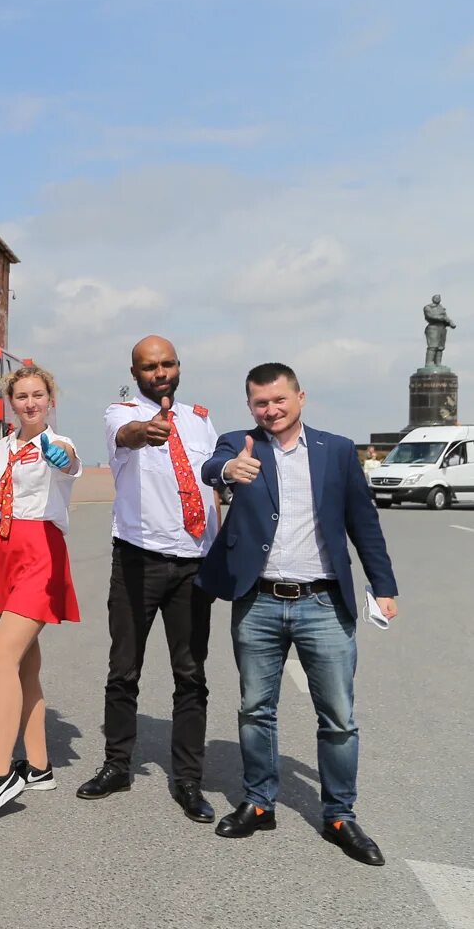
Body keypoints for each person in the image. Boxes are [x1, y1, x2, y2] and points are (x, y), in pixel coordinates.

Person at [199, 362, 399, 865]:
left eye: (279, 401)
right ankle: (259, 803)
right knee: (255, 709)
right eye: (260, 403)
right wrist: (228, 470)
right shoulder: (238, 444)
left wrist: (384, 585)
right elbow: (212, 466)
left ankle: (339, 815)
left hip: (323, 602)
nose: (270, 410)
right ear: (250, 406)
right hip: (259, 601)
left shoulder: (336, 451)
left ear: (300, 397)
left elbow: (363, 522)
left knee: (338, 718)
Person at [78, 335, 220, 825]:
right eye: (149, 366)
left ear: (178, 366)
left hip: (193, 563)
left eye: (167, 364)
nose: (159, 372)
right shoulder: (119, 413)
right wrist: (146, 429)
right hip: (138, 561)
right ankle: (117, 765)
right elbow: (129, 435)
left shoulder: (201, 420)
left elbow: (212, 483)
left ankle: (188, 779)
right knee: (124, 671)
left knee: (191, 676)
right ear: (135, 372)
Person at [0, 366, 81, 821]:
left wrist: (56, 454)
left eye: (38, 395)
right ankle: (38, 764)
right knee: (26, 665)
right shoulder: (1, 448)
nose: (30, 403)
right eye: (22, 396)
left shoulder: (61, 443)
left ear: (51, 398)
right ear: (11, 402)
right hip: (6, 554)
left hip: (40, 553)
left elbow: (68, 463)